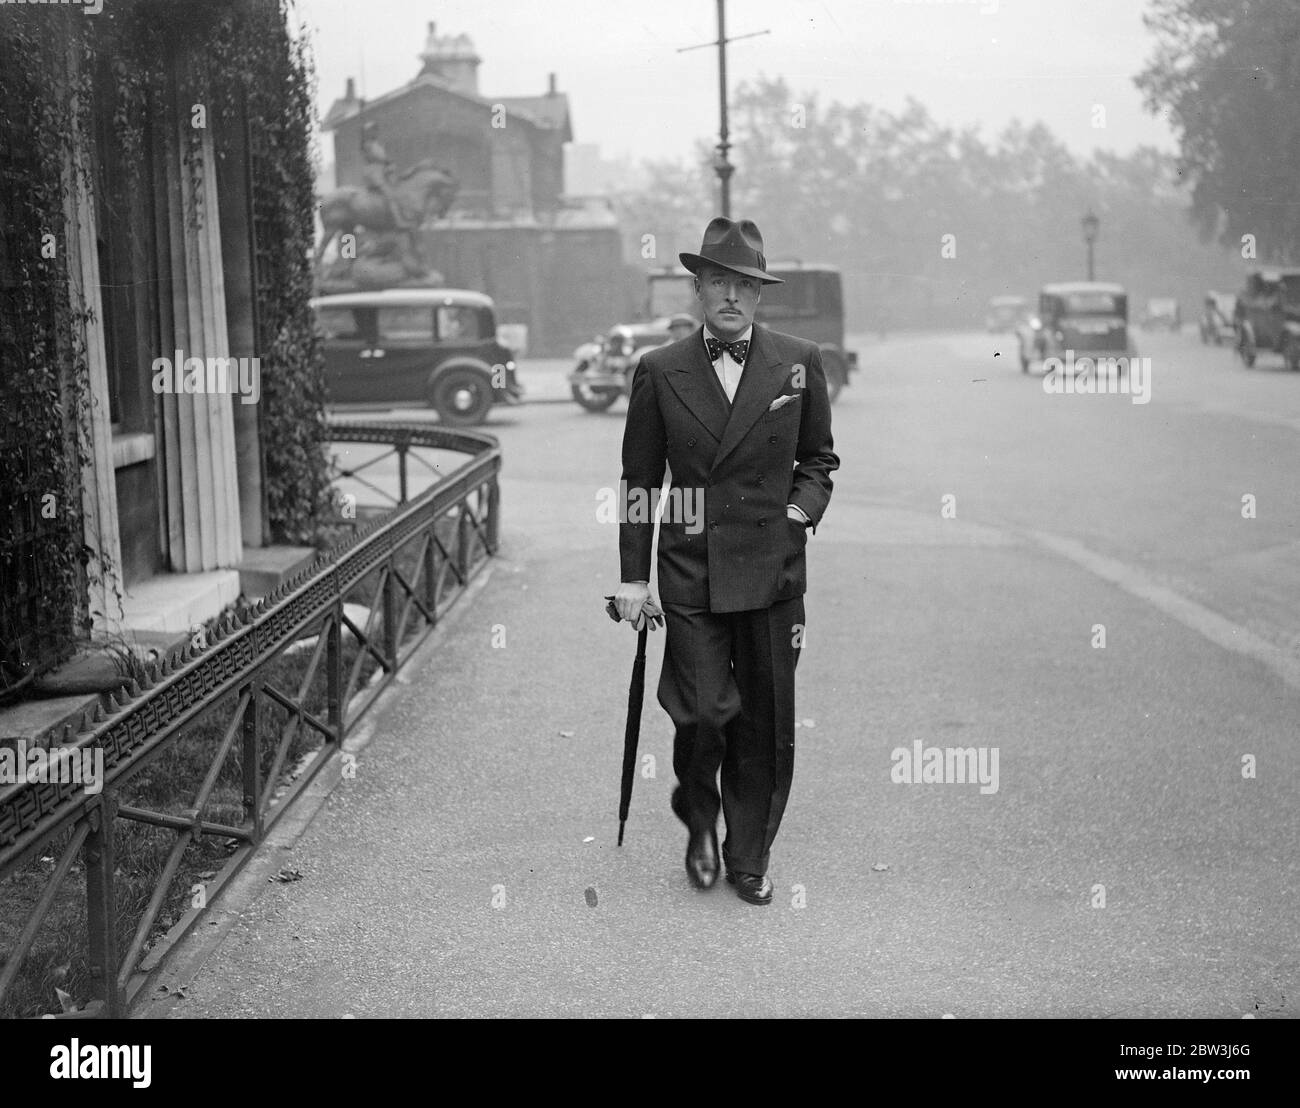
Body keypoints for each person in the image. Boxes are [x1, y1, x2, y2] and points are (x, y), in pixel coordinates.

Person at [613, 217, 839, 905]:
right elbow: (640, 483)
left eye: (744, 284)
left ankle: (749, 854)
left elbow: (819, 460)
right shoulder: (659, 370)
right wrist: (631, 577)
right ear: (698, 290)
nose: (731, 296)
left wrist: (797, 516)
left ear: (760, 294)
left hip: (772, 575)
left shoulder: (799, 362)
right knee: (706, 714)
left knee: (764, 722)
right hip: (691, 573)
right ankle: (700, 822)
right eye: (718, 282)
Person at [360, 121, 411, 232]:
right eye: (371, 131)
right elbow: (378, 157)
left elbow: (382, 158)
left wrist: (389, 165)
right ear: (367, 133)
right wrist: (388, 162)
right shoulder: (367, 144)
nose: (374, 132)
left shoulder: (376, 144)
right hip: (373, 172)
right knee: (390, 195)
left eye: (375, 130)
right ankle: (398, 221)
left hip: (381, 171)